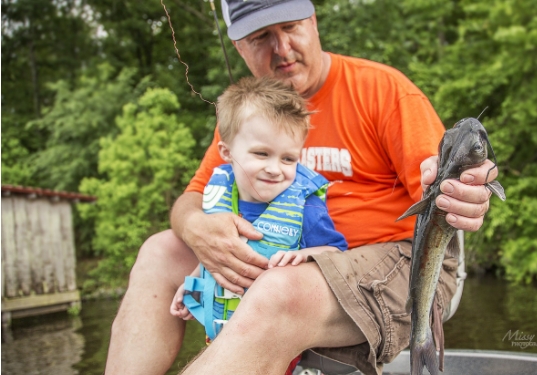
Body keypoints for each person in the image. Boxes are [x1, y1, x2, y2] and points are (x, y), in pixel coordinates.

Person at [103, 0, 498, 374]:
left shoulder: (384, 90)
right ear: (239, 47)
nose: (282, 48)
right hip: (280, 257)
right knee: (159, 250)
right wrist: (195, 228)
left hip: (401, 261)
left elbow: (441, 184)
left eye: (290, 27)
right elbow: (191, 197)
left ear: (313, 22)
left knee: (279, 290)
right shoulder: (252, 116)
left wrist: (464, 192)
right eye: (261, 37)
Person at [169, 76, 348, 332]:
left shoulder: (305, 207)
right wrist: (194, 283)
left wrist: (304, 254)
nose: (275, 169)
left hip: (274, 337)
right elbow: (215, 255)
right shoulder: (219, 194)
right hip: (224, 329)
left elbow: (336, 251)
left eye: (288, 159)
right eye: (261, 154)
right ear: (227, 152)